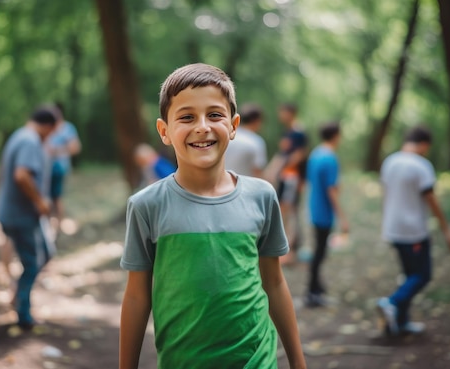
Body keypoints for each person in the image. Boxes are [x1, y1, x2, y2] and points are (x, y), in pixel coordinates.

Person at [119, 63, 306, 369]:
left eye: (215, 115)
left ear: (233, 125)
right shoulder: (146, 205)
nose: (202, 126)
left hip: (257, 361)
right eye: (187, 117)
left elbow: (274, 283)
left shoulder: (261, 196)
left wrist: (299, 364)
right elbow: (137, 297)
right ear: (164, 131)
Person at [376, 126, 450, 336]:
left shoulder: (389, 161)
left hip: (393, 229)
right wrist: (446, 229)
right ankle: (391, 303)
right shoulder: (421, 166)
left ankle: (401, 322)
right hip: (413, 231)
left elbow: (386, 195)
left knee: (408, 275)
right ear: (423, 144)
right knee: (422, 275)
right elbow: (431, 200)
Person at [0, 107, 57, 329]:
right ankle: (23, 313)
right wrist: (39, 201)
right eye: (52, 131)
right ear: (48, 126)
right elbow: (21, 175)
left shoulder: (20, 136)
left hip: (20, 214)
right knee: (32, 263)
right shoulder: (30, 141)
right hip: (19, 216)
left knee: (47, 253)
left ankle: (19, 296)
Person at [304, 121, 349, 307]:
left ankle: (317, 286)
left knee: (319, 250)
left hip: (314, 209)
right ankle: (312, 292)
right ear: (336, 135)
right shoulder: (330, 158)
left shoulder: (315, 154)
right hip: (323, 212)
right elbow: (332, 190)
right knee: (320, 253)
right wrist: (343, 217)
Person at [272, 103, 308, 262]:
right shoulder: (287, 132)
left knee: (290, 210)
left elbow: (300, 155)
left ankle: (290, 250)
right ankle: (290, 247)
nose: (281, 116)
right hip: (285, 177)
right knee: (284, 209)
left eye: (283, 112)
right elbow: (282, 154)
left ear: (291, 113)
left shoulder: (298, 132)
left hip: (293, 178)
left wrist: (281, 168)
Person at [46, 102, 81, 231]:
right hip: (46, 168)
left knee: (57, 198)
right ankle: (49, 226)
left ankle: (59, 227)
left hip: (60, 168)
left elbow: (76, 147)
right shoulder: (48, 126)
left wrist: (57, 150)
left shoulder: (67, 128)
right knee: (47, 197)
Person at [224, 102, 268, 177]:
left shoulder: (227, 136)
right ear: (257, 121)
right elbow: (257, 171)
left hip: (222, 185)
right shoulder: (256, 141)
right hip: (245, 186)